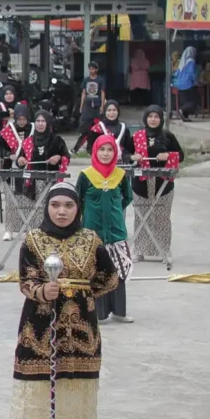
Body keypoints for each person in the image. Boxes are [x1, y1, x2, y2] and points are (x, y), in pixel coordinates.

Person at [2, 182, 118, 419]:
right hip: (39, 326)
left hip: (82, 326)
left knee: (82, 384)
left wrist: (81, 292)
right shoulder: (33, 239)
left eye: (69, 205)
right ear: (47, 208)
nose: (62, 211)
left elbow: (110, 277)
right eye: (55, 205)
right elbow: (26, 280)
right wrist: (42, 291)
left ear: (78, 208)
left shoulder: (91, 238)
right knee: (33, 383)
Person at [77, 135, 134, 324]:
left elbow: (127, 197)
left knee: (119, 271)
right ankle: (99, 314)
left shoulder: (121, 175)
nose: (106, 153)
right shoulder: (86, 175)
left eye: (110, 150)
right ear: (95, 151)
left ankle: (119, 312)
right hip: (92, 232)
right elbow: (77, 200)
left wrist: (114, 211)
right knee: (96, 272)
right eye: (102, 149)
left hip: (116, 233)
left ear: (115, 153)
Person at [129, 106, 184, 263]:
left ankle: (164, 251)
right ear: (145, 118)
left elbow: (180, 156)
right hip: (141, 184)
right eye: (150, 116)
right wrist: (133, 156)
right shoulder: (136, 136)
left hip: (163, 184)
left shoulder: (168, 136)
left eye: (156, 116)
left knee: (162, 217)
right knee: (141, 217)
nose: (153, 119)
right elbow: (126, 154)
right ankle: (139, 251)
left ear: (161, 119)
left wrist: (168, 155)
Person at [16, 110, 71, 230]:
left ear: (48, 123)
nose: (40, 124)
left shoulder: (57, 140)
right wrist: (20, 160)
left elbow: (66, 157)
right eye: (38, 121)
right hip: (32, 183)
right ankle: (34, 232)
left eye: (43, 121)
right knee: (33, 211)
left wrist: (58, 158)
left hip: (51, 182)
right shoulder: (28, 141)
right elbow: (20, 160)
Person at [0, 104, 34, 242]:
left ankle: (27, 228)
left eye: (24, 119)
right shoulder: (9, 130)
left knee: (28, 199)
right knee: (12, 200)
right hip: (12, 169)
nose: (22, 122)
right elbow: (0, 149)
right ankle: (9, 229)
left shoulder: (34, 129)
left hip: (29, 169)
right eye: (19, 119)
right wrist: (8, 155)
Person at [74, 62, 106, 151]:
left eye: (93, 69)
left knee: (99, 127)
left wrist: (102, 106)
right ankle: (78, 148)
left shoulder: (100, 80)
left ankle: (97, 145)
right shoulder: (86, 80)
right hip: (87, 107)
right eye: (90, 69)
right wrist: (81, 106)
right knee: (84, 128)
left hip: (97, 106)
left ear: (96, 70)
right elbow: (83, 93)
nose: (91, 70)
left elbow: (103, 93)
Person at [174, 46, 199, 121]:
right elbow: (191, 72)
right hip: (187, 83)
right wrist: (195, 80)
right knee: (193, 101)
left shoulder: (182, 61)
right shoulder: (191, 61)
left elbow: (177, 73)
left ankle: (185, 117)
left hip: (180, 84)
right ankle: (181, 110)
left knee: (184, 102)